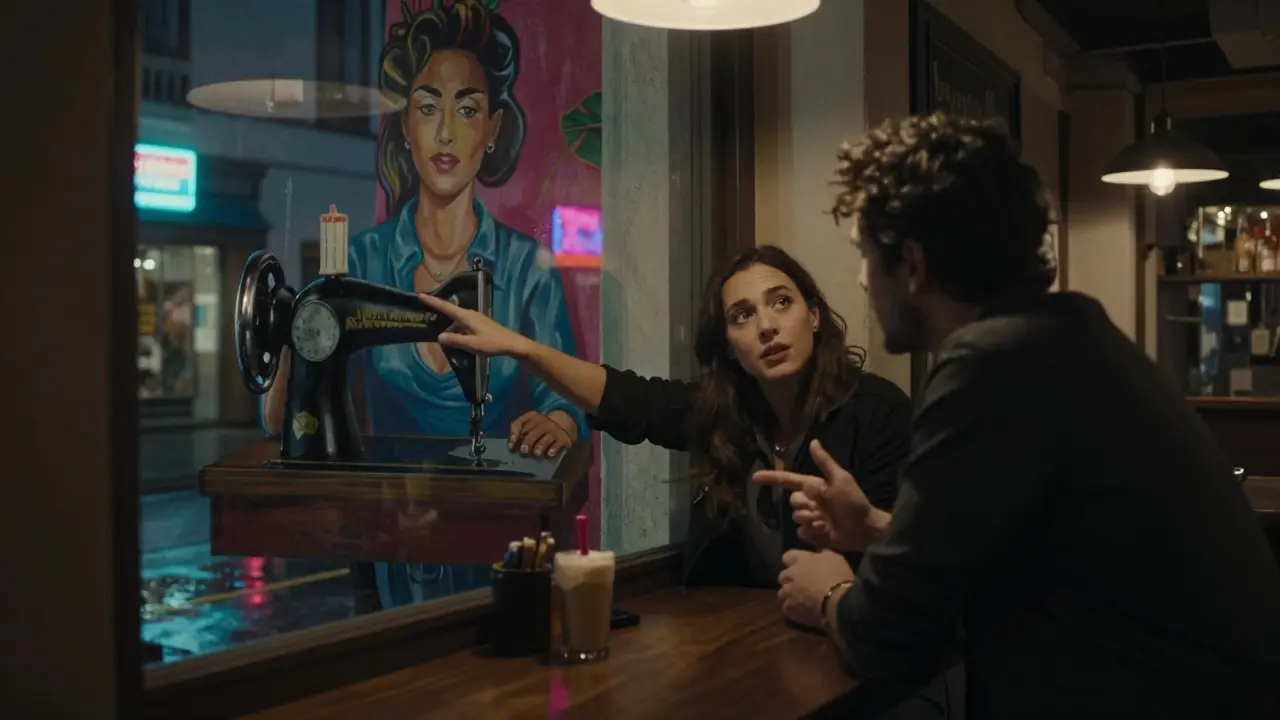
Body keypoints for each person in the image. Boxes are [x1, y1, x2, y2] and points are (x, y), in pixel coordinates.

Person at [755, 113, 1280, 719]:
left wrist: (830, 596)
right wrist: (874, 526)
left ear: (914, 266)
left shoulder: (990, 365)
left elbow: (883, 635)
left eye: (867, 256)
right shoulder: (1071, 334)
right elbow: (1030, 559)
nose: (861, 279)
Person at [424, 244, 961, 719]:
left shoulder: (877, 412)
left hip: (864, 660)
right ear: (728, 345)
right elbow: (627, 399)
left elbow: (914, 573)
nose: (766, 326)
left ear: (814, 316)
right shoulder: (724, 414)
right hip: (757, 657)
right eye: (742, 315)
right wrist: (520, 348)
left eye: (782, 302)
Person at [262, 0, 585, 607]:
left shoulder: (525, 268)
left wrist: (557, 423)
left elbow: (561, 393)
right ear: (404, 126)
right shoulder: (361, 262)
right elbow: (279, 424)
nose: (445, 132)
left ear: (491, 129)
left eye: (466, 110)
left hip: (502, 534)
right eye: (428, 107)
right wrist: (291, 345)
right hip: (392, 530)